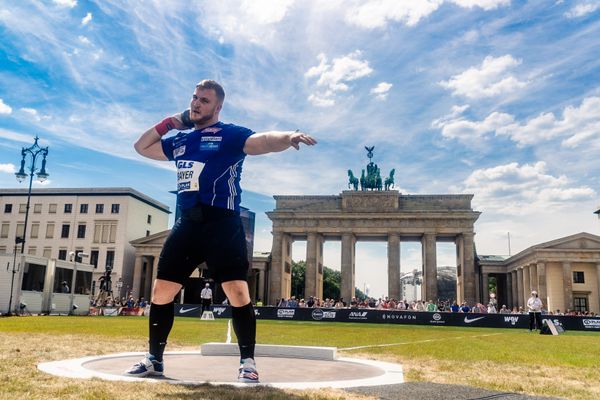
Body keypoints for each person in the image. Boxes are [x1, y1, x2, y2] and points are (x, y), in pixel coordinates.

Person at [125, 79, 316, 383]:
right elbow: (141, 147)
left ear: (217, 106)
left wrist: (288, 136)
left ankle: (248, 362)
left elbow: (263, 141)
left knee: (238, 293)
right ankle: (154, 360)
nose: (196, 103)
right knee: (161, 292)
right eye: (194, 98)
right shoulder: (181, 139)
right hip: (188, 222)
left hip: (222, 223)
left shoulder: (229, 134)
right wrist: (171, 122)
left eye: (204, 100)